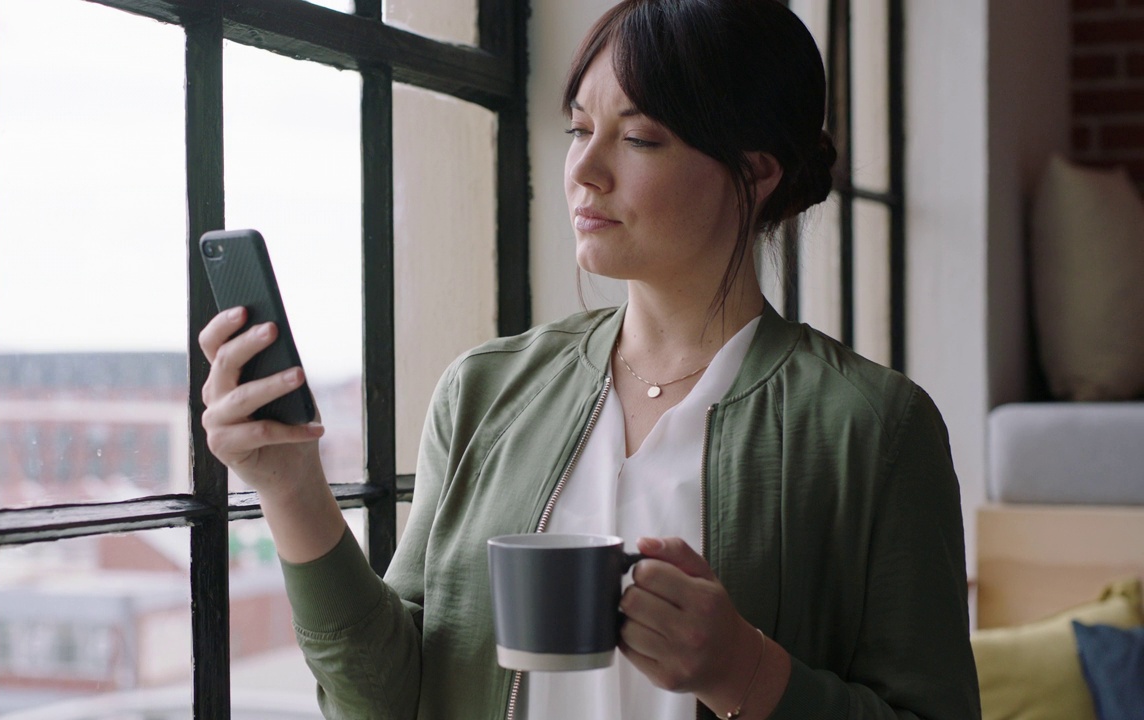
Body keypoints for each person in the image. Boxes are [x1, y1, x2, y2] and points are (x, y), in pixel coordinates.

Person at [199, 0, 981, 718]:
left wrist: (747, 672)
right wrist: (288, 485)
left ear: (756, 172)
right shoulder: (485, 390)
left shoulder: (873, 429)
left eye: (639, 137)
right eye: (580, 129)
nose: (584, 169)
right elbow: (387, 700)